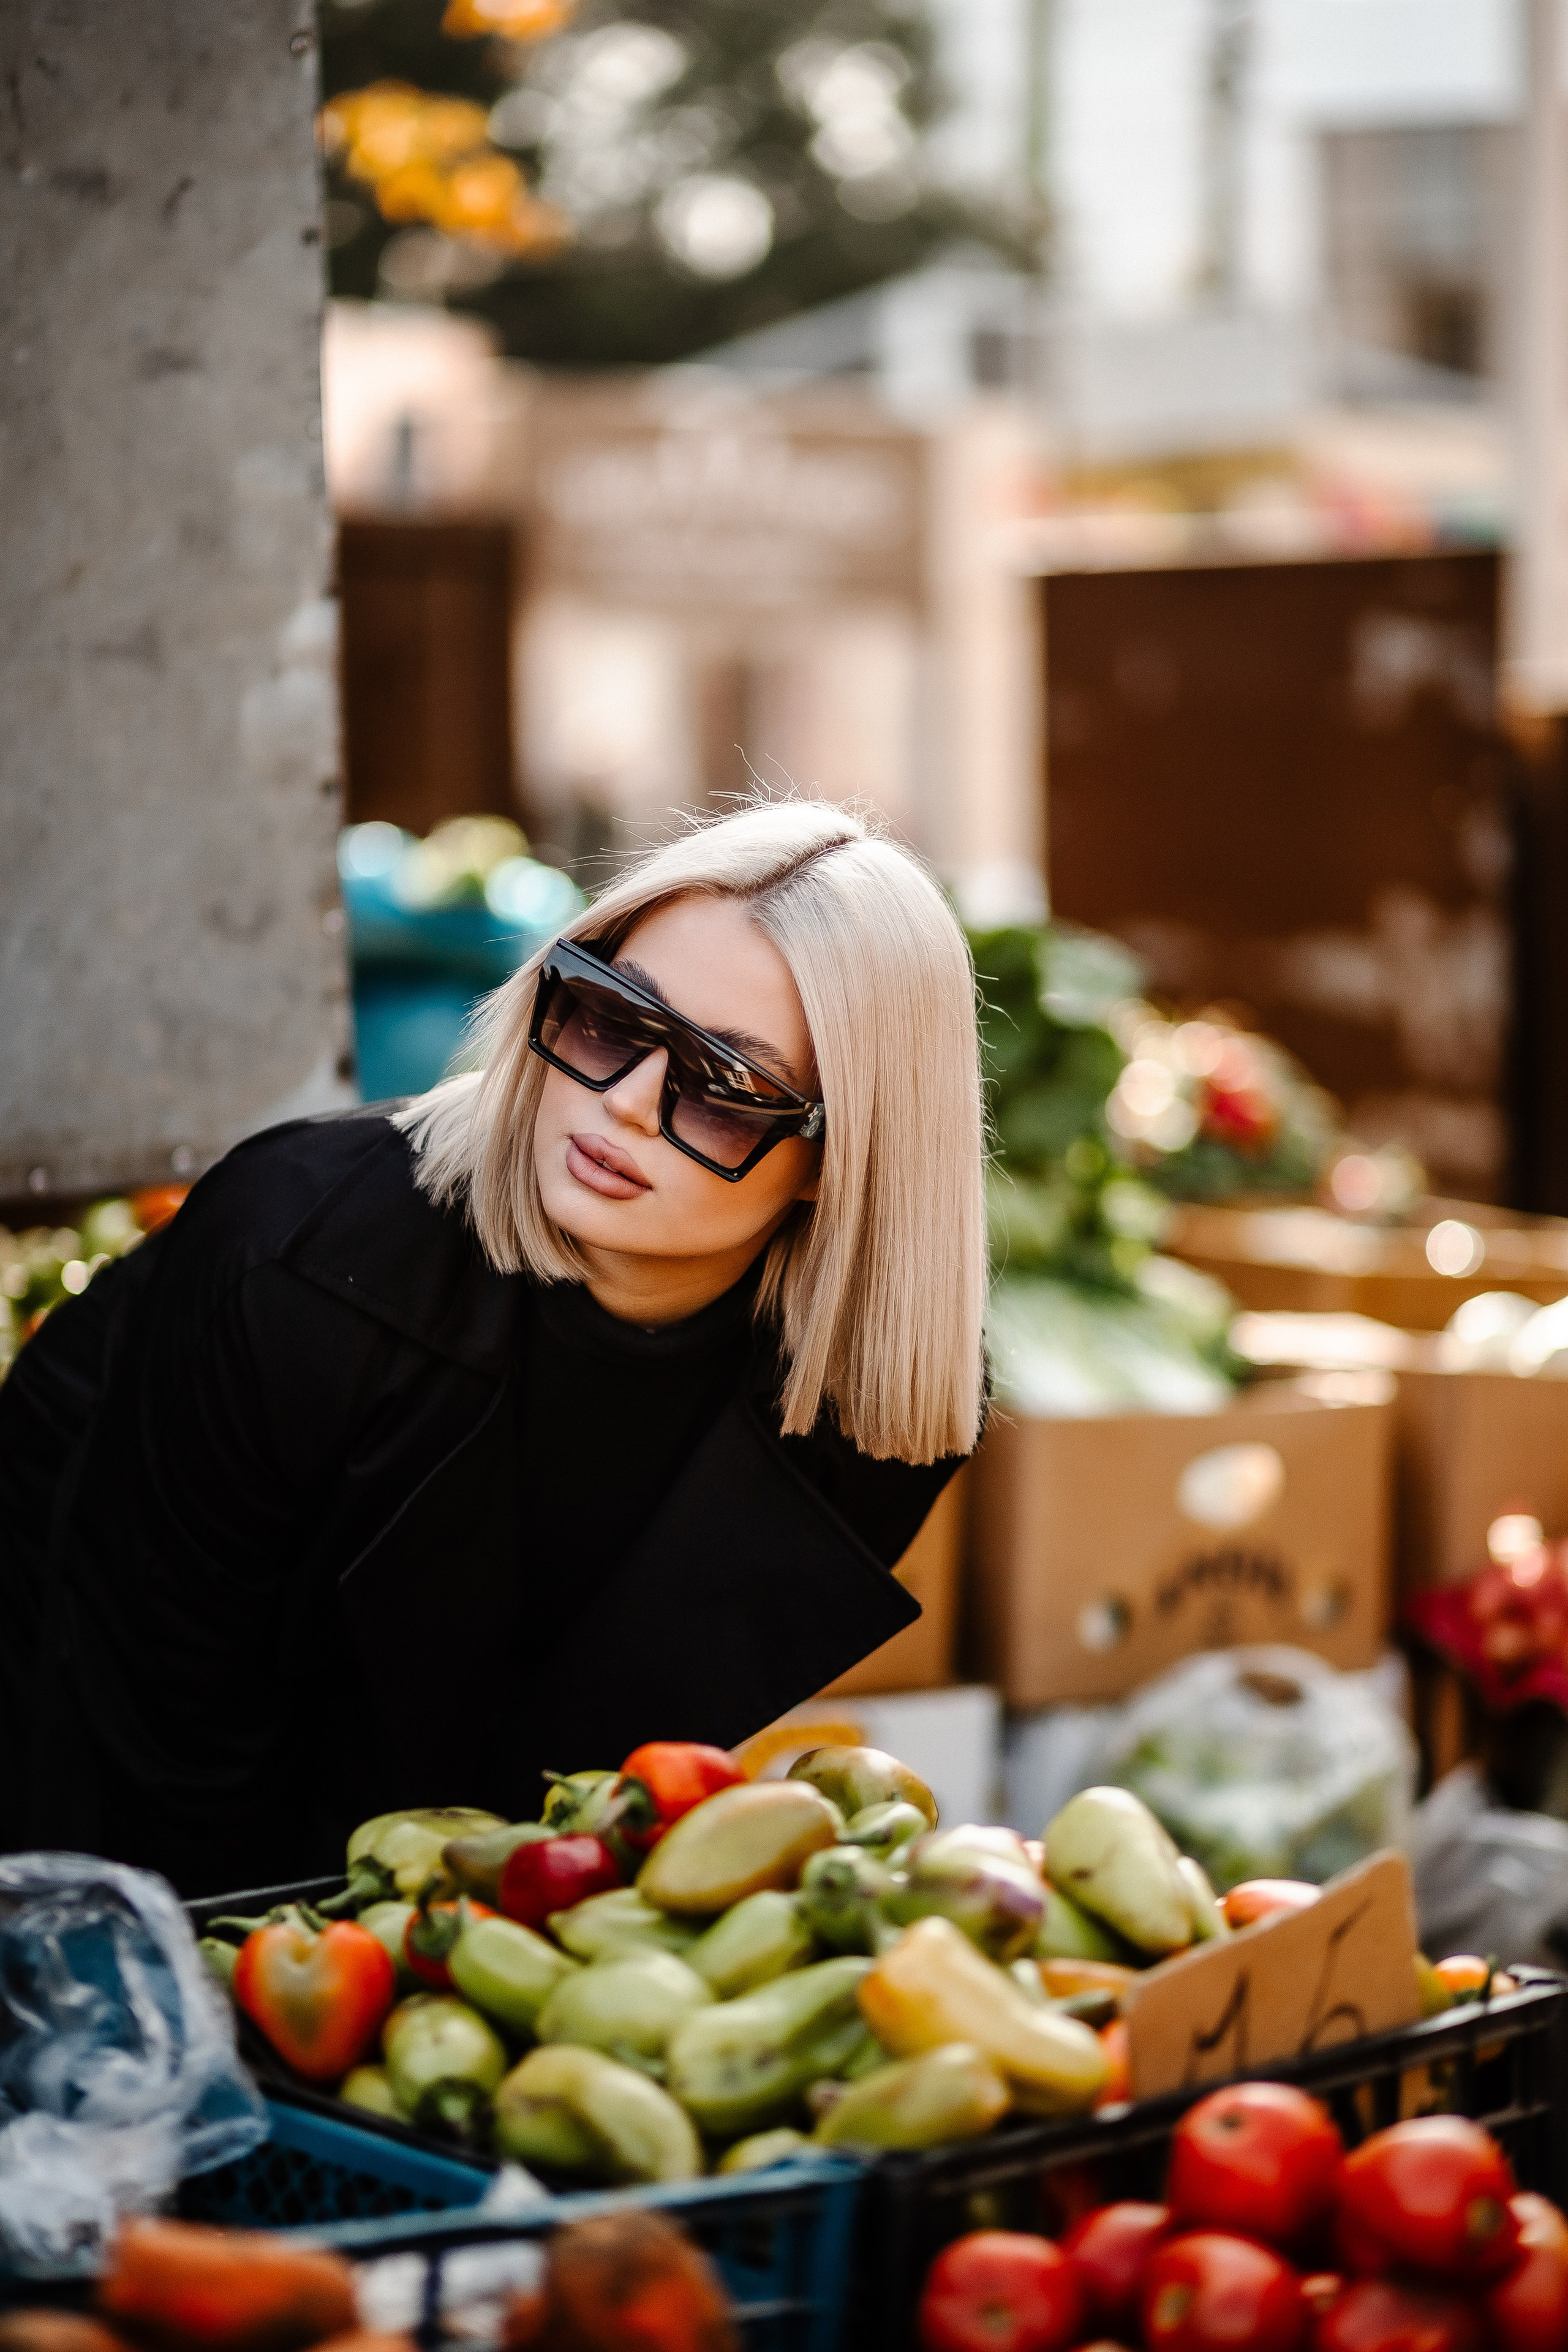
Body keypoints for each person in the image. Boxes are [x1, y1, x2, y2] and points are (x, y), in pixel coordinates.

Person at [0, 800, 988, 1895]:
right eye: (611, 1018)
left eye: (728, 1088)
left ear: (847, 1157)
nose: (621, 1103)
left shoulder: (873, 1402)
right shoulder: (298, 1260)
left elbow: (582, 1783)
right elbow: (162, 1762)